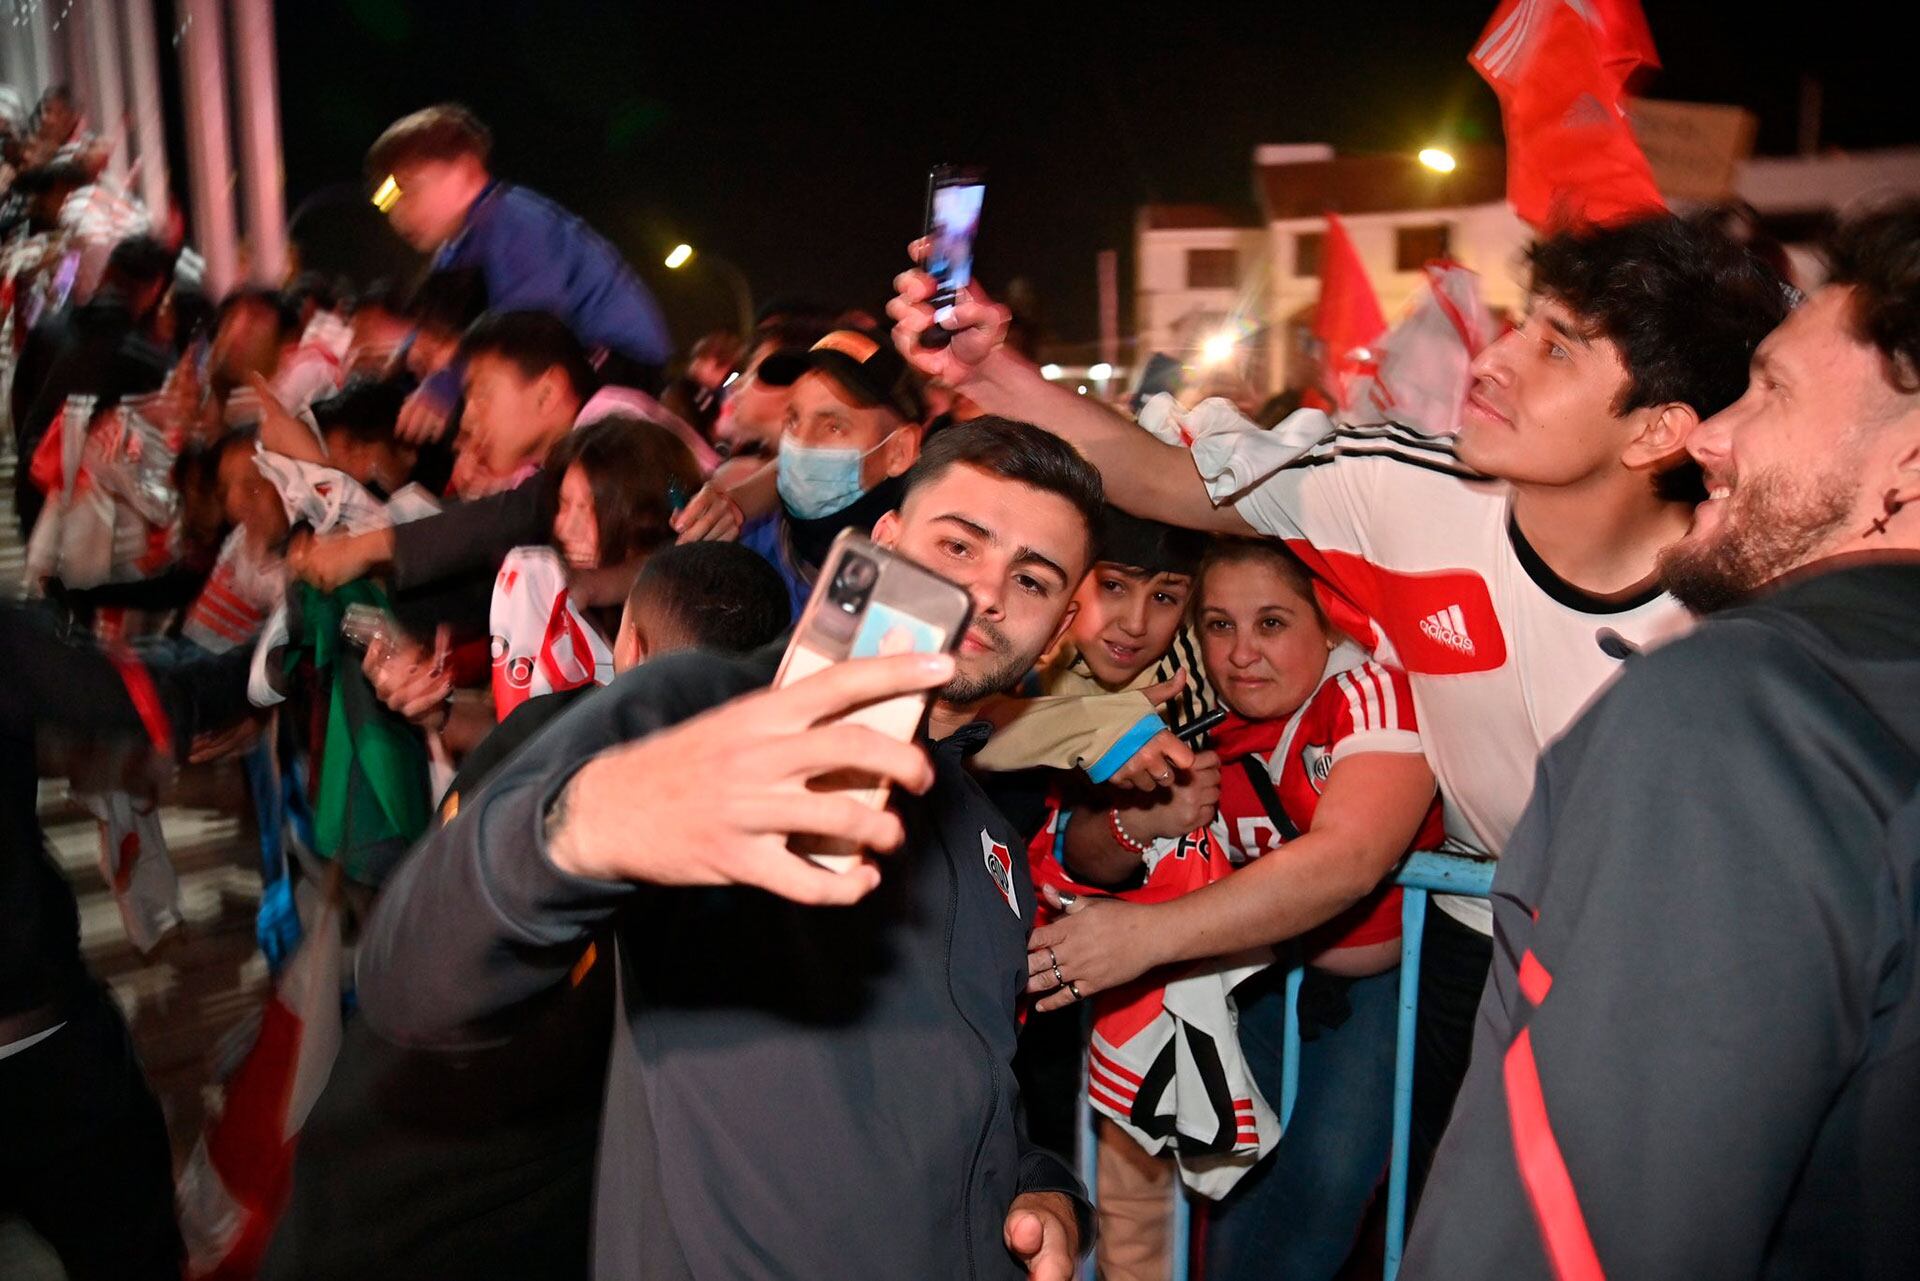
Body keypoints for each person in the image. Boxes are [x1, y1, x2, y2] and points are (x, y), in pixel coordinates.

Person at [891, 212, 1790, 1197]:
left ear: (1658, 429)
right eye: (1522, 323)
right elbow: (1157, 477)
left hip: (1666, 975)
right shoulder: (1403, 488)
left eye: (1555, 347)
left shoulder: (1753, 605)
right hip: (1475, 938)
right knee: (1453, 1214)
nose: (1492, 359)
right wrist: (988, 367)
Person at [355, 419, 1104, 1278]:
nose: (989, 589)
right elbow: (411, 978)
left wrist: (1045, 1192)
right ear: (882, 542)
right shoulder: (700, 711)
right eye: (960, 542)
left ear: (1057, 633)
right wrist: (587, 825)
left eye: (1032, 577)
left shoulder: (993, 844)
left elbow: (978, 1096)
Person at [1401, 203, 1920, 1281]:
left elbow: (1581, 1231)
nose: (1710, 435)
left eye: (1770, 388)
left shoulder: (1742, 716)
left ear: (1908, 464)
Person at [261, 541, 790, 1281]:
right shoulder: (774, 831)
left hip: (392, 1165)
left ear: (628, 643)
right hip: (545, 1205)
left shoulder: (559, 737)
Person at [1033, 539, 1444, 1280]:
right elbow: (1081, 850)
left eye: (1273, 623)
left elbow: (1348, 860)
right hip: (1249, 984)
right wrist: (1146, 821)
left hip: (1379, 996)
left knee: (1326, 1182)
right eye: (1220, 624)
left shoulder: (1369, 693)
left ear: (1329, 625)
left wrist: (1144, 936)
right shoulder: (1196, 718)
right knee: (1227, 1183)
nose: (1243, 652)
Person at [366, 103, 672, 438]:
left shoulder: (516, 222)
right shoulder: (454, 250)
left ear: (465, 171)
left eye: (408, 189)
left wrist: (444, 386)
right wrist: (407, 351)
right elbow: (449, 330)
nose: (398, 214)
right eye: (388, 200)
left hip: (617, 360)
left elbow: (524, 332)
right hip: (568, 360)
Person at [735, 327, 928, 614]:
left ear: (899, 451)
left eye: (834, 427)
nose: (802, 443)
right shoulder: (745, 554)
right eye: (794, 420)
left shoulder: (922, 589)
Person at [10, 233, 176, 539]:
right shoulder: (147, 363)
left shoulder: (48, 329)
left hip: (33, 490)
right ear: (155, 290)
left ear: (108, 272)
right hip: (90, 521)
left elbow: (21, 407)